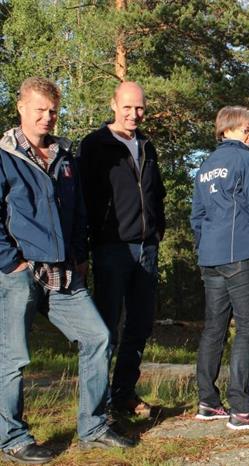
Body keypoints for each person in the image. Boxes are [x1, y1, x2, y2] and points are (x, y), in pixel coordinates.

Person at [0, 77, 134, 464]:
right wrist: (11, 262)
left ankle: (93, 427)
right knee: (13, 357)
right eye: (39, 110)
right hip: (19, 272)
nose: (47, 117)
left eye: (53, 111)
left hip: (63, 272)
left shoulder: (64, 156)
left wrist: (78, 254)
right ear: (21, 108)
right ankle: (13, 438)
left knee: (98, 337)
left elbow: (77, 214)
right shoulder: (5, 157)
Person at [78, 81, 166, 417]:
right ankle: (98, 409)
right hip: (111, 249)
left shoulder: (146, 145)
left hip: (147, 248)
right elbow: (82, 198)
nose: (133, 114)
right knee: (106, 329)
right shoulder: (95, 145)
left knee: (140, 325)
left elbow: (156, 193)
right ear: (113, 105)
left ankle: (124, 394)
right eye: (127, 107)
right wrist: (87, 244)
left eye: (139, 107)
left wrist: (157, 229)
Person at [190, 106, 249, 430]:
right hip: (240, 255)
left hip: (211, 258)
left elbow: (197, 216)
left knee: (214, 328)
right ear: (227, 129)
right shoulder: (247, 160)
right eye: (246, 129)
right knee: (248, 328)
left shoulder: (205, 166)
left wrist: (203, 247)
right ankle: (241, 408)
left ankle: (208, 401)